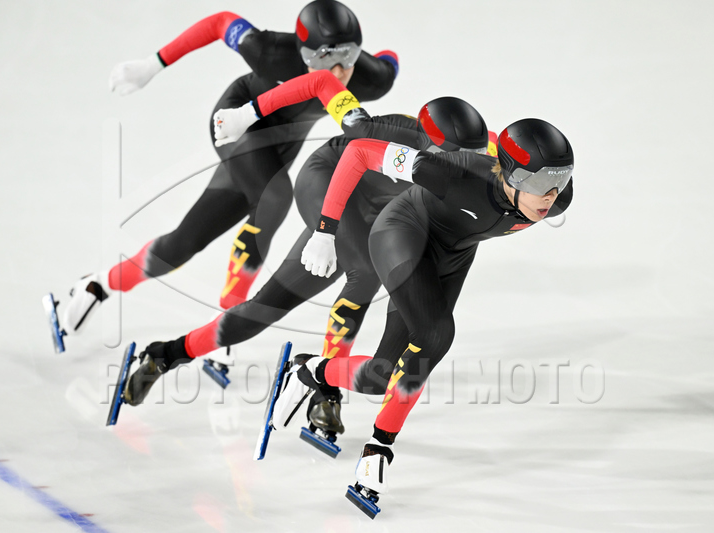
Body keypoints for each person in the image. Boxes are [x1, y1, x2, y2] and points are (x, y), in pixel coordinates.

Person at [212, 67, 575, 505]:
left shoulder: (548, 193)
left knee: (380, 376)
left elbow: (512, 151)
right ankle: (377, 451)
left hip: (452, 253)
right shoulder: (447, 172)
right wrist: (325, 232)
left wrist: (541, 175)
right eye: (541, 183)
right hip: (402, 231)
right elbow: (359, 150)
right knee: (436, 333)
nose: (551, 196)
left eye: (559, 181)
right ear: (511, 176)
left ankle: (308, 370)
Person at [120, 95, 495, 449]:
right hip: (332, 190)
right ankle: (320, 389)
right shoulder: (397, 137)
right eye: (451, 160)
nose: (460, 173)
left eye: (472, 160)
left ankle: (164, 353)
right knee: (359, 275)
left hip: (381, 221)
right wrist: (325, 231)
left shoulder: (483, 159)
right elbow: (340, 130)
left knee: (261, 311)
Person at [56, 0, 399, 342]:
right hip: (237, 122)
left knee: (185, 242)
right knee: (276, 195)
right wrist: (153, 63)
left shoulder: (371, 78)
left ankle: (99, 284)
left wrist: (376, 61)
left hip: (280, 148)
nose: (336, 71)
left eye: (348, 55)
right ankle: (230, 312)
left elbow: (389, 60)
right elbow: (221, 22)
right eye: (322, 57)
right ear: (302, 53)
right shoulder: (270, 52)